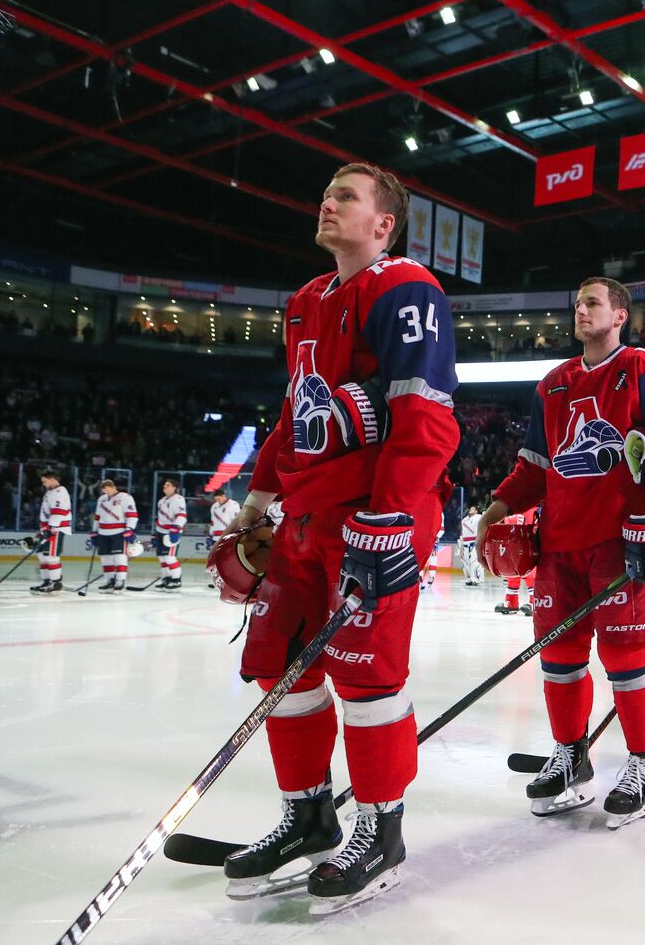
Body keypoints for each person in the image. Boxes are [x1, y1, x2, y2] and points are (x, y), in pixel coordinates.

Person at [212, 162, 460, 914]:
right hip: (306, 516)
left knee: (365, 674)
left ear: (384, 223)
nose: (326, 204)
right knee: (277, 663)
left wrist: (391, 512)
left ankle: (380, 829)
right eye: (324, 194)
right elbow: (297, 411)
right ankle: (309, 814)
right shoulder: (306, 301)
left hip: (375, 513)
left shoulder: (407, 287)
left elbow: (426, 409)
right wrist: (257, 500)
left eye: (345, 197)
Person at [476, 276, 645, 828]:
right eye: (576, 303)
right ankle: (571, 756)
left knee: (627, 660)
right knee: (559, 659)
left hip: (623, 544)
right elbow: (535, 465)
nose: (581, 310)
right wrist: (499, 505)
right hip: (559, 546)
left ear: (620, 315)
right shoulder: (553, 382)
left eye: (593, 303)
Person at [92, 478, 138, 593]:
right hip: (103, 532)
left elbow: (132, 515)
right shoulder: (102, 499)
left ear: (113, 487)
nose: (106, 493)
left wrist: (129, 529)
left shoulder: (125, 497)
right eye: (104, 491)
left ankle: (120, 581)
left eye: (107, 490)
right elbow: (97, 517)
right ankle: (109, 580)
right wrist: (94, 531)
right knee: (105, 558)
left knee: (119, 557)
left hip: (118, 531)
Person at [30, 470, 72, 594]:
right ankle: (46, 581)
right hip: (47, 528)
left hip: (56, 529)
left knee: (51, 556)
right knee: (42, 555)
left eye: (44, 481)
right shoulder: (50, 492)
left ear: (52, 479)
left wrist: (50, 528)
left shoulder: (60, 492)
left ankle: (55, 583)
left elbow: (59, 512)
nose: (43, 484)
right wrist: (42, 529)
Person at [494, 507, 537, 615]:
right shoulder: (508, 507)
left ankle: (535, 602)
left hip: (528, 545)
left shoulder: (534, 508)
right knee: (512, 574)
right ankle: (512, 602)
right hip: (512, 545)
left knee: (530, 574)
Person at [153, 478, 187, 591]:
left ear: (174, 487)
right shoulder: (161, 501)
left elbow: (181, 515)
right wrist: (155, 533)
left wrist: (176, 529)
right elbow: (160, 519)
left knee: (169, 557)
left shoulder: (178, 499)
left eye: (168, 485)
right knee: (162, 557)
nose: (165, 486)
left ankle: (176, 579)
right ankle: (166, 578)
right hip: (160, 531)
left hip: (171, 532)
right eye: (164, 485)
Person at [458, 504, 482, 586]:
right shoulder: (464, 520)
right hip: (464, 542)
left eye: (473, 509)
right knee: (466, 562)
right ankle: (468, 578)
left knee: (474, 561)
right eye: (470, 508)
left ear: (476, 511)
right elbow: (462, 532)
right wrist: (460, 543)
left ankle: (475, 578)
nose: (471, 510)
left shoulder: (479, 517)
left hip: (473, 541)